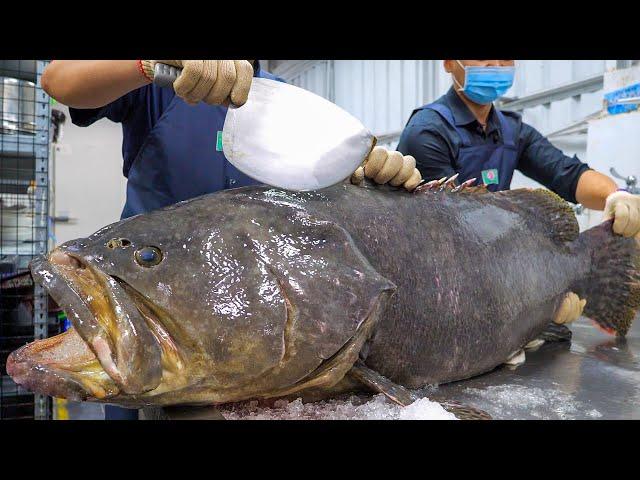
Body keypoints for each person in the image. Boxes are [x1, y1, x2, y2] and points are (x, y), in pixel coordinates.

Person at [41, 60, 421, 419]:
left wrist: (367, 177)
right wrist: (148, 64)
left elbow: (317, 206)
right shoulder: (163, 85)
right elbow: (59, 81)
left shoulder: (288, 102)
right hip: (152, 321)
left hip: (250, 355)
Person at [397, 60, 640, 333]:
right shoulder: (428, 131)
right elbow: (451, 238)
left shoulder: (510, 129)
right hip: (444, 289)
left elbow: (567, 173)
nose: (495, 63)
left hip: (499, 268)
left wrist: (616, 195)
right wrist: (535, 300)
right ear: (450, 64)